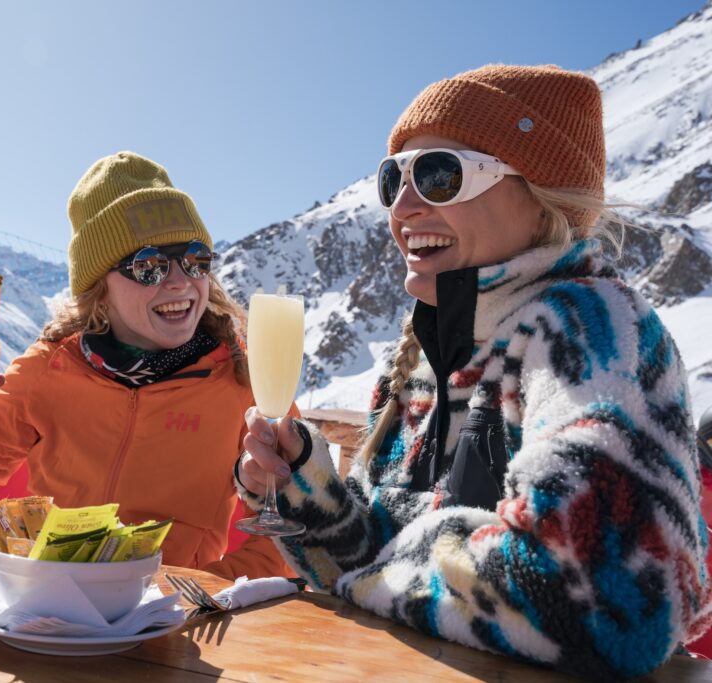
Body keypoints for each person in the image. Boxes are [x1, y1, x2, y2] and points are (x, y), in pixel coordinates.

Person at [236, 64, 712, 679]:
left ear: (540, 193)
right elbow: (374, 567)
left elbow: (607, 600)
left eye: (439, 175)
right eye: (392, 179)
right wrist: (305, 489)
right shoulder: (425, 356)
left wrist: (373, 577)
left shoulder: (590, 329)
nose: (402, 207)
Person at [0, 151, 290, 579]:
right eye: (148, 266)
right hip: (52, 605)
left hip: (170, 627)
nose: (180, 281)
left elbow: (291, 524)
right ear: (99, 287)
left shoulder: (245, 382)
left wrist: (203, 591)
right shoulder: (48, 371)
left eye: (195, 259)